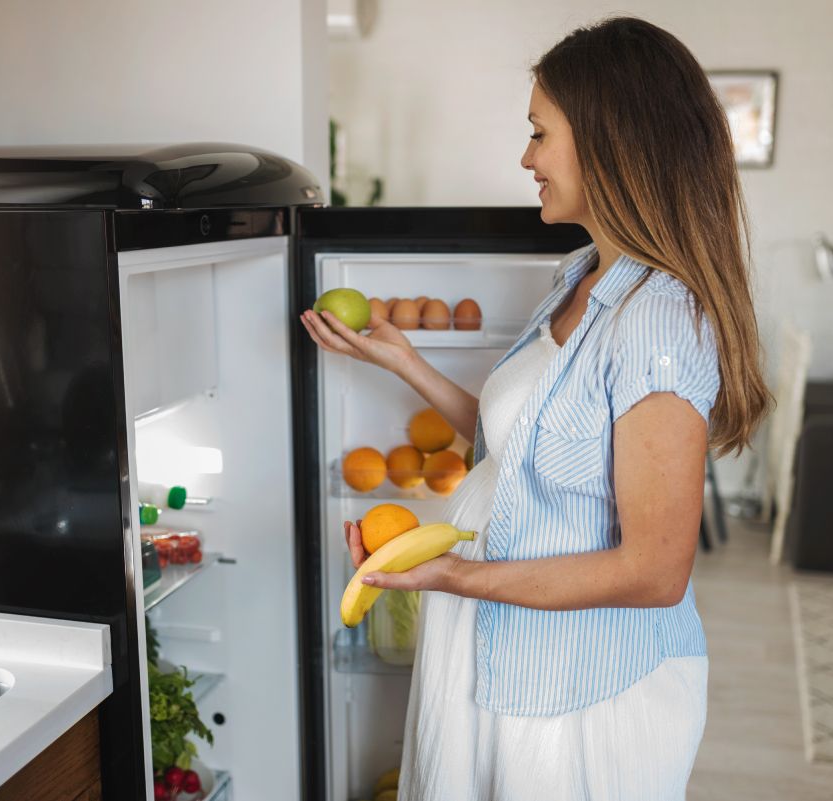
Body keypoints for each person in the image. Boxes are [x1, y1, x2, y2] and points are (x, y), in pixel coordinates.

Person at [300, 15, 770, 801]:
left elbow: (655, 570)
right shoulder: (582, 273)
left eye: (539, 133)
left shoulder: (656, 316)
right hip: (507, 654)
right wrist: (405, 361)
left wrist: (456, 574)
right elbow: (521, 442)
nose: (527, 158)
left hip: (581, 695)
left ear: (610, 142)